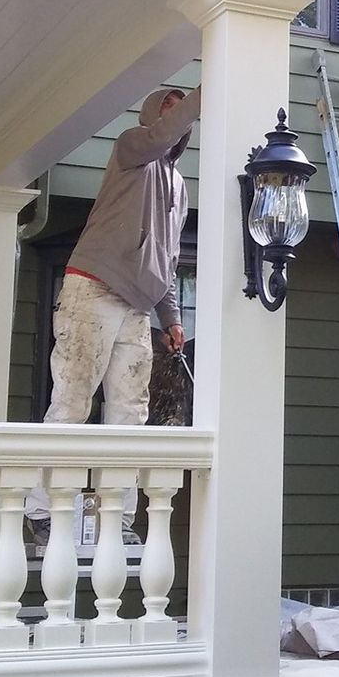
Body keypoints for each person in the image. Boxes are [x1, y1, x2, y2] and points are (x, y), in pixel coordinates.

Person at [33, 86, 199, 542]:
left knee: (130, 412)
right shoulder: (131, 145)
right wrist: (204, 95)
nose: (175, 114)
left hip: (139, 305)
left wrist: (173, 318)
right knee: (73, 398)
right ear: (152, 116)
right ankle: (43, 511)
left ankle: (117, 519)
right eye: (168, 106)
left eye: (181, 107)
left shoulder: (179, 187)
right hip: (94, 285)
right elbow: (160, 136)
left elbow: (166, 258)